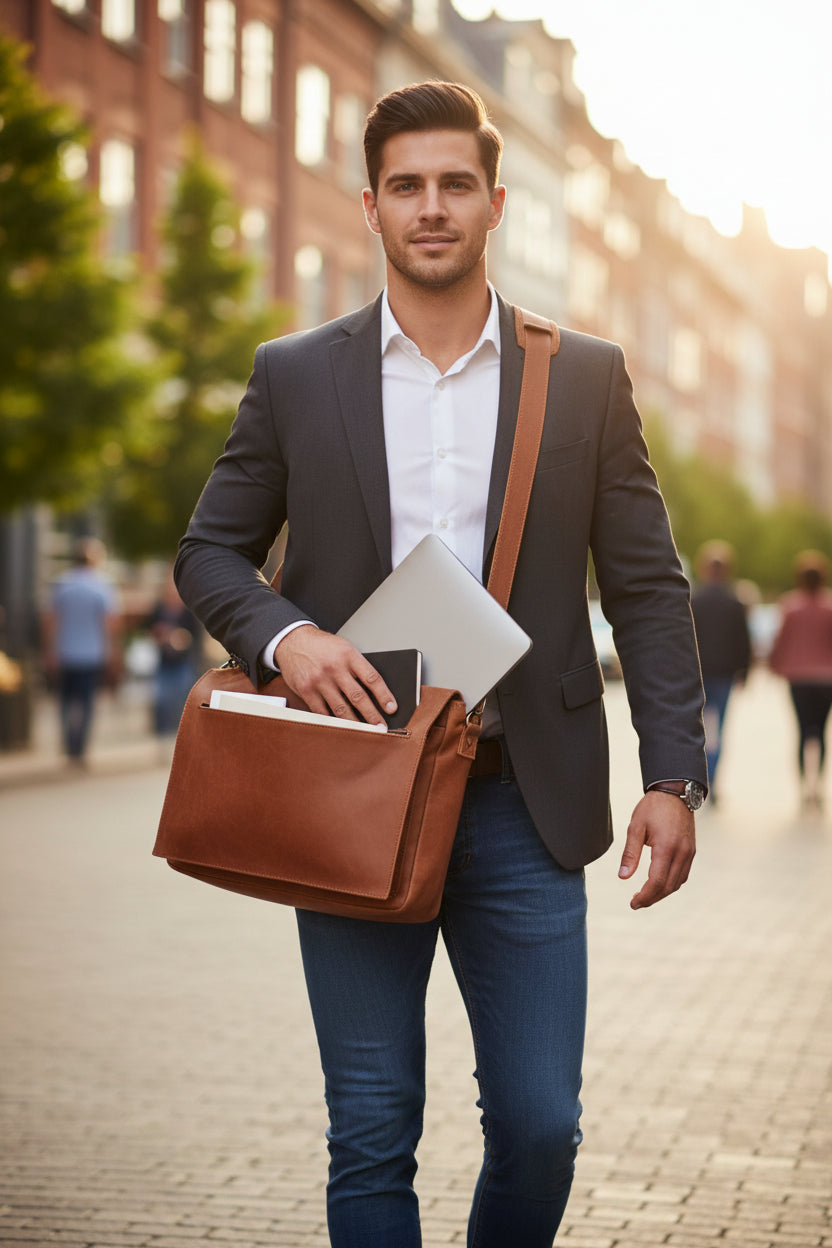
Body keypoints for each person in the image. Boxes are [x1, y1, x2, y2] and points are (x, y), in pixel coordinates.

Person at [175, 82, 706, 1247]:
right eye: (406, 186)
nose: (431, 207)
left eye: (455, 185)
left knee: (540, 1126)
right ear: (369, 206)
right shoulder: (295, 373)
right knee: (370, 1129)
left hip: (523, 803)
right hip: (353, 794)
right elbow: (209, 552)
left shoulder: (583, 375)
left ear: (496, 204)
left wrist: (673, 776)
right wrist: (288, 637)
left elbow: (647, 590)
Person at [43, 537, 120, 765]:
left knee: (65, 702)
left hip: (65, 653)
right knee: (86, 704)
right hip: (91, 654)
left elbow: (50, 621)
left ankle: (69, 745)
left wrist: (50, 650)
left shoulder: (61, 585)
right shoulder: (103, 586)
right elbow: (110, 624)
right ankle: (80, 748)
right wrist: (113, 652)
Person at [769, 550, 832, 811]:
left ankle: (805, 786)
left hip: (799, 679)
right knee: (821, 731)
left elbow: (781, 640)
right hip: (826, 678)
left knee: (803, 730)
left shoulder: (791, 605)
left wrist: (774, 664)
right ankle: (818, 786)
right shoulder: (829, 606)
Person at [690, 540, 751, 801]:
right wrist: (744, 672)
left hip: (698, 675)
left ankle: (700, 781)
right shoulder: (735, 603)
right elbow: (743, 641)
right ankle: (712, 780)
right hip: (724, 675)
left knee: (699, 730)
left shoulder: (694, 600)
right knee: (718, 730)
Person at [143, 569, 201, 736]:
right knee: (161, 699)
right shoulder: (158, 609)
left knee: (181, 698)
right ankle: (162, 731)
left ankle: (178, 731)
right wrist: (159, 635)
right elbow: (148, 630)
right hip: (163, 660)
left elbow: (194, 637)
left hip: (182, 661)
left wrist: (181, 639)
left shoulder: (188, 611)